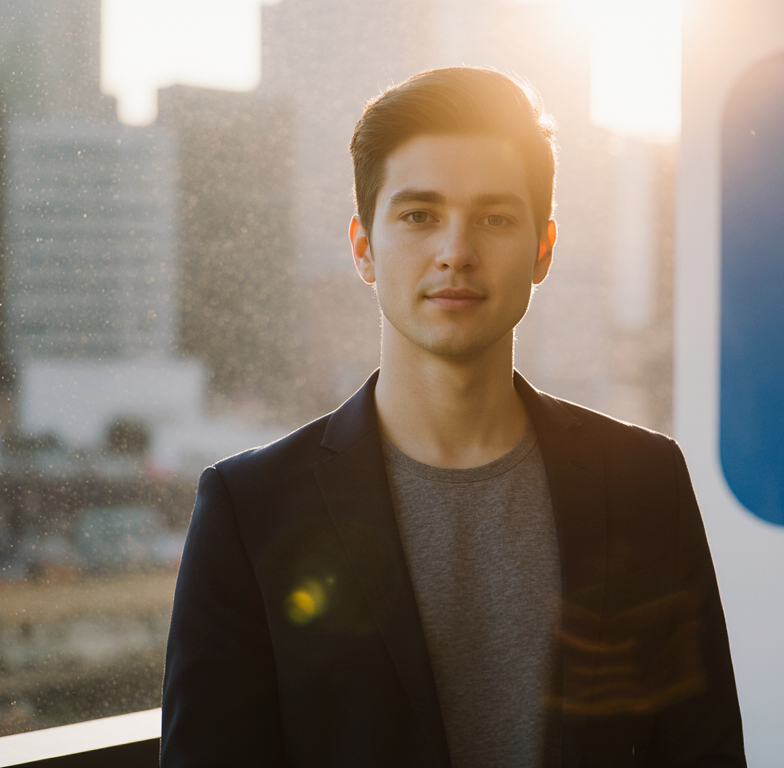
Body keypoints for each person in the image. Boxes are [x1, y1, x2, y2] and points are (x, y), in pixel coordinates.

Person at [160, 66, 745, 768]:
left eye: (495, 219)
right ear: (363, 247)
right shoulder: (250, 510)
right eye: (419, 216)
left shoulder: (644, 482)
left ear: (543, 250)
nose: (456, 253)